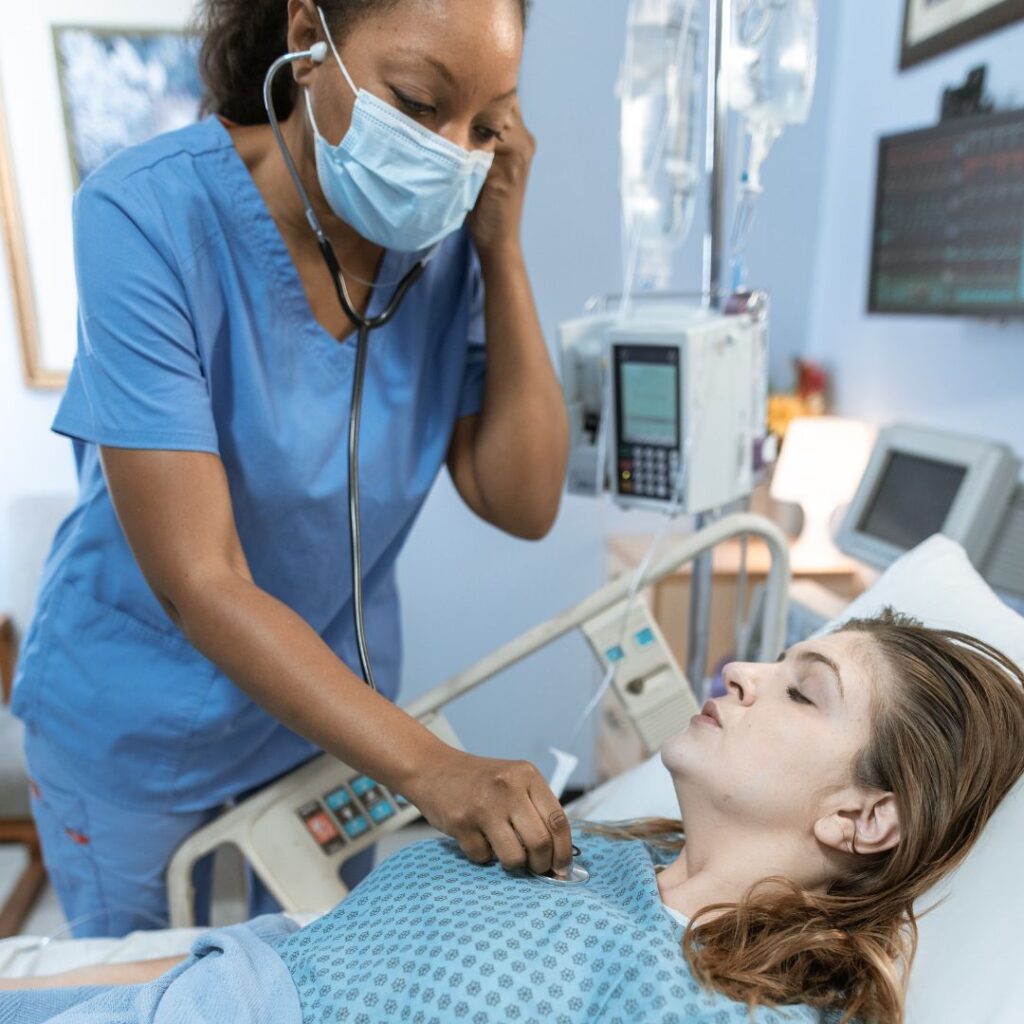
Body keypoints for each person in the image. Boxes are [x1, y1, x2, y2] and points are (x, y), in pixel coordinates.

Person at [11, 0, 574, 938]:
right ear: (308, 37)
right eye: (417, 102)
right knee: (152, 997)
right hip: (136, 733)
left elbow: (524, 500)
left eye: (487, 125)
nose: (450, 151)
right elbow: (201, 578)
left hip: (325, 729)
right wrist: (432, 767)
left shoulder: (443, 255)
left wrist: (501, 251)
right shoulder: (145, 214)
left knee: (299, 981)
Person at [5, 610, 1022, 1024]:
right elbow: (315, 950)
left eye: (803, 690)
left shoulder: (723, 1002)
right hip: (208, 980)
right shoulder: (611, 859)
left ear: (862, 816)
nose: (743, 671)